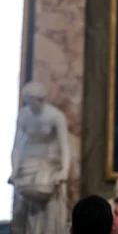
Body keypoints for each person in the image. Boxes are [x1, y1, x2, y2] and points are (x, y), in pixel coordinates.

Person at [9, 81, 70, 234]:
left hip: (49, 164)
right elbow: (16, 147)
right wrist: (14, 171)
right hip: (27, 163)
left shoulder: (56, 116)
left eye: (32, 100)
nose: (30, 104)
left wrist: (64, 171)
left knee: (48, 205)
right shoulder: (23, 115)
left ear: (41, 99)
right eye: (27, 100)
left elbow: (64, 146)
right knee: (20, 205)